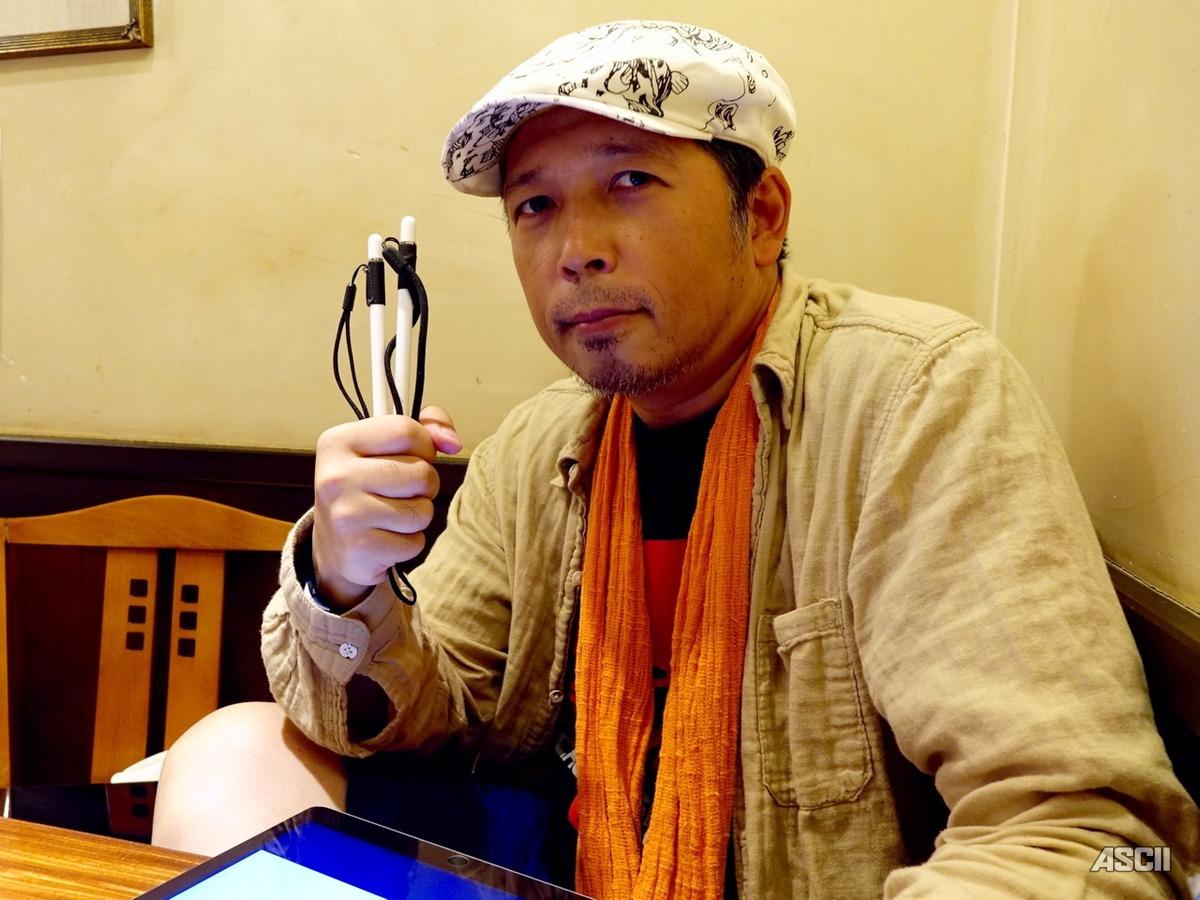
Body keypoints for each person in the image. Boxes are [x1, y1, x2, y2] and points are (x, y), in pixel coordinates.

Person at [153, 19, 1199, 898]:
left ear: (763, 216)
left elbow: (1088, 836)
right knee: (233, 751)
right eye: (535, 205)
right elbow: (439, 717)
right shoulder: (544, 443)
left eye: (630, 181)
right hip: (568, 865)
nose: (577, 249)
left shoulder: (915, 397)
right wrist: (347, 577)